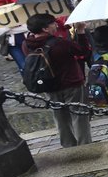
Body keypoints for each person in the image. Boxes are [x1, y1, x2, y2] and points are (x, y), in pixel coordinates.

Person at [23, 14, 92, 148]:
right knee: (79, 116)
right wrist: (81, 31)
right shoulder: (59, 43)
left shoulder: (27, 44)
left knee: (60, 118)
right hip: (71, 84)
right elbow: (83, 51)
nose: (56, 25)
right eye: (53, 23)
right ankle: (85, 146)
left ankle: (68, 145)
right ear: (45, 29)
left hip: (48, 86)